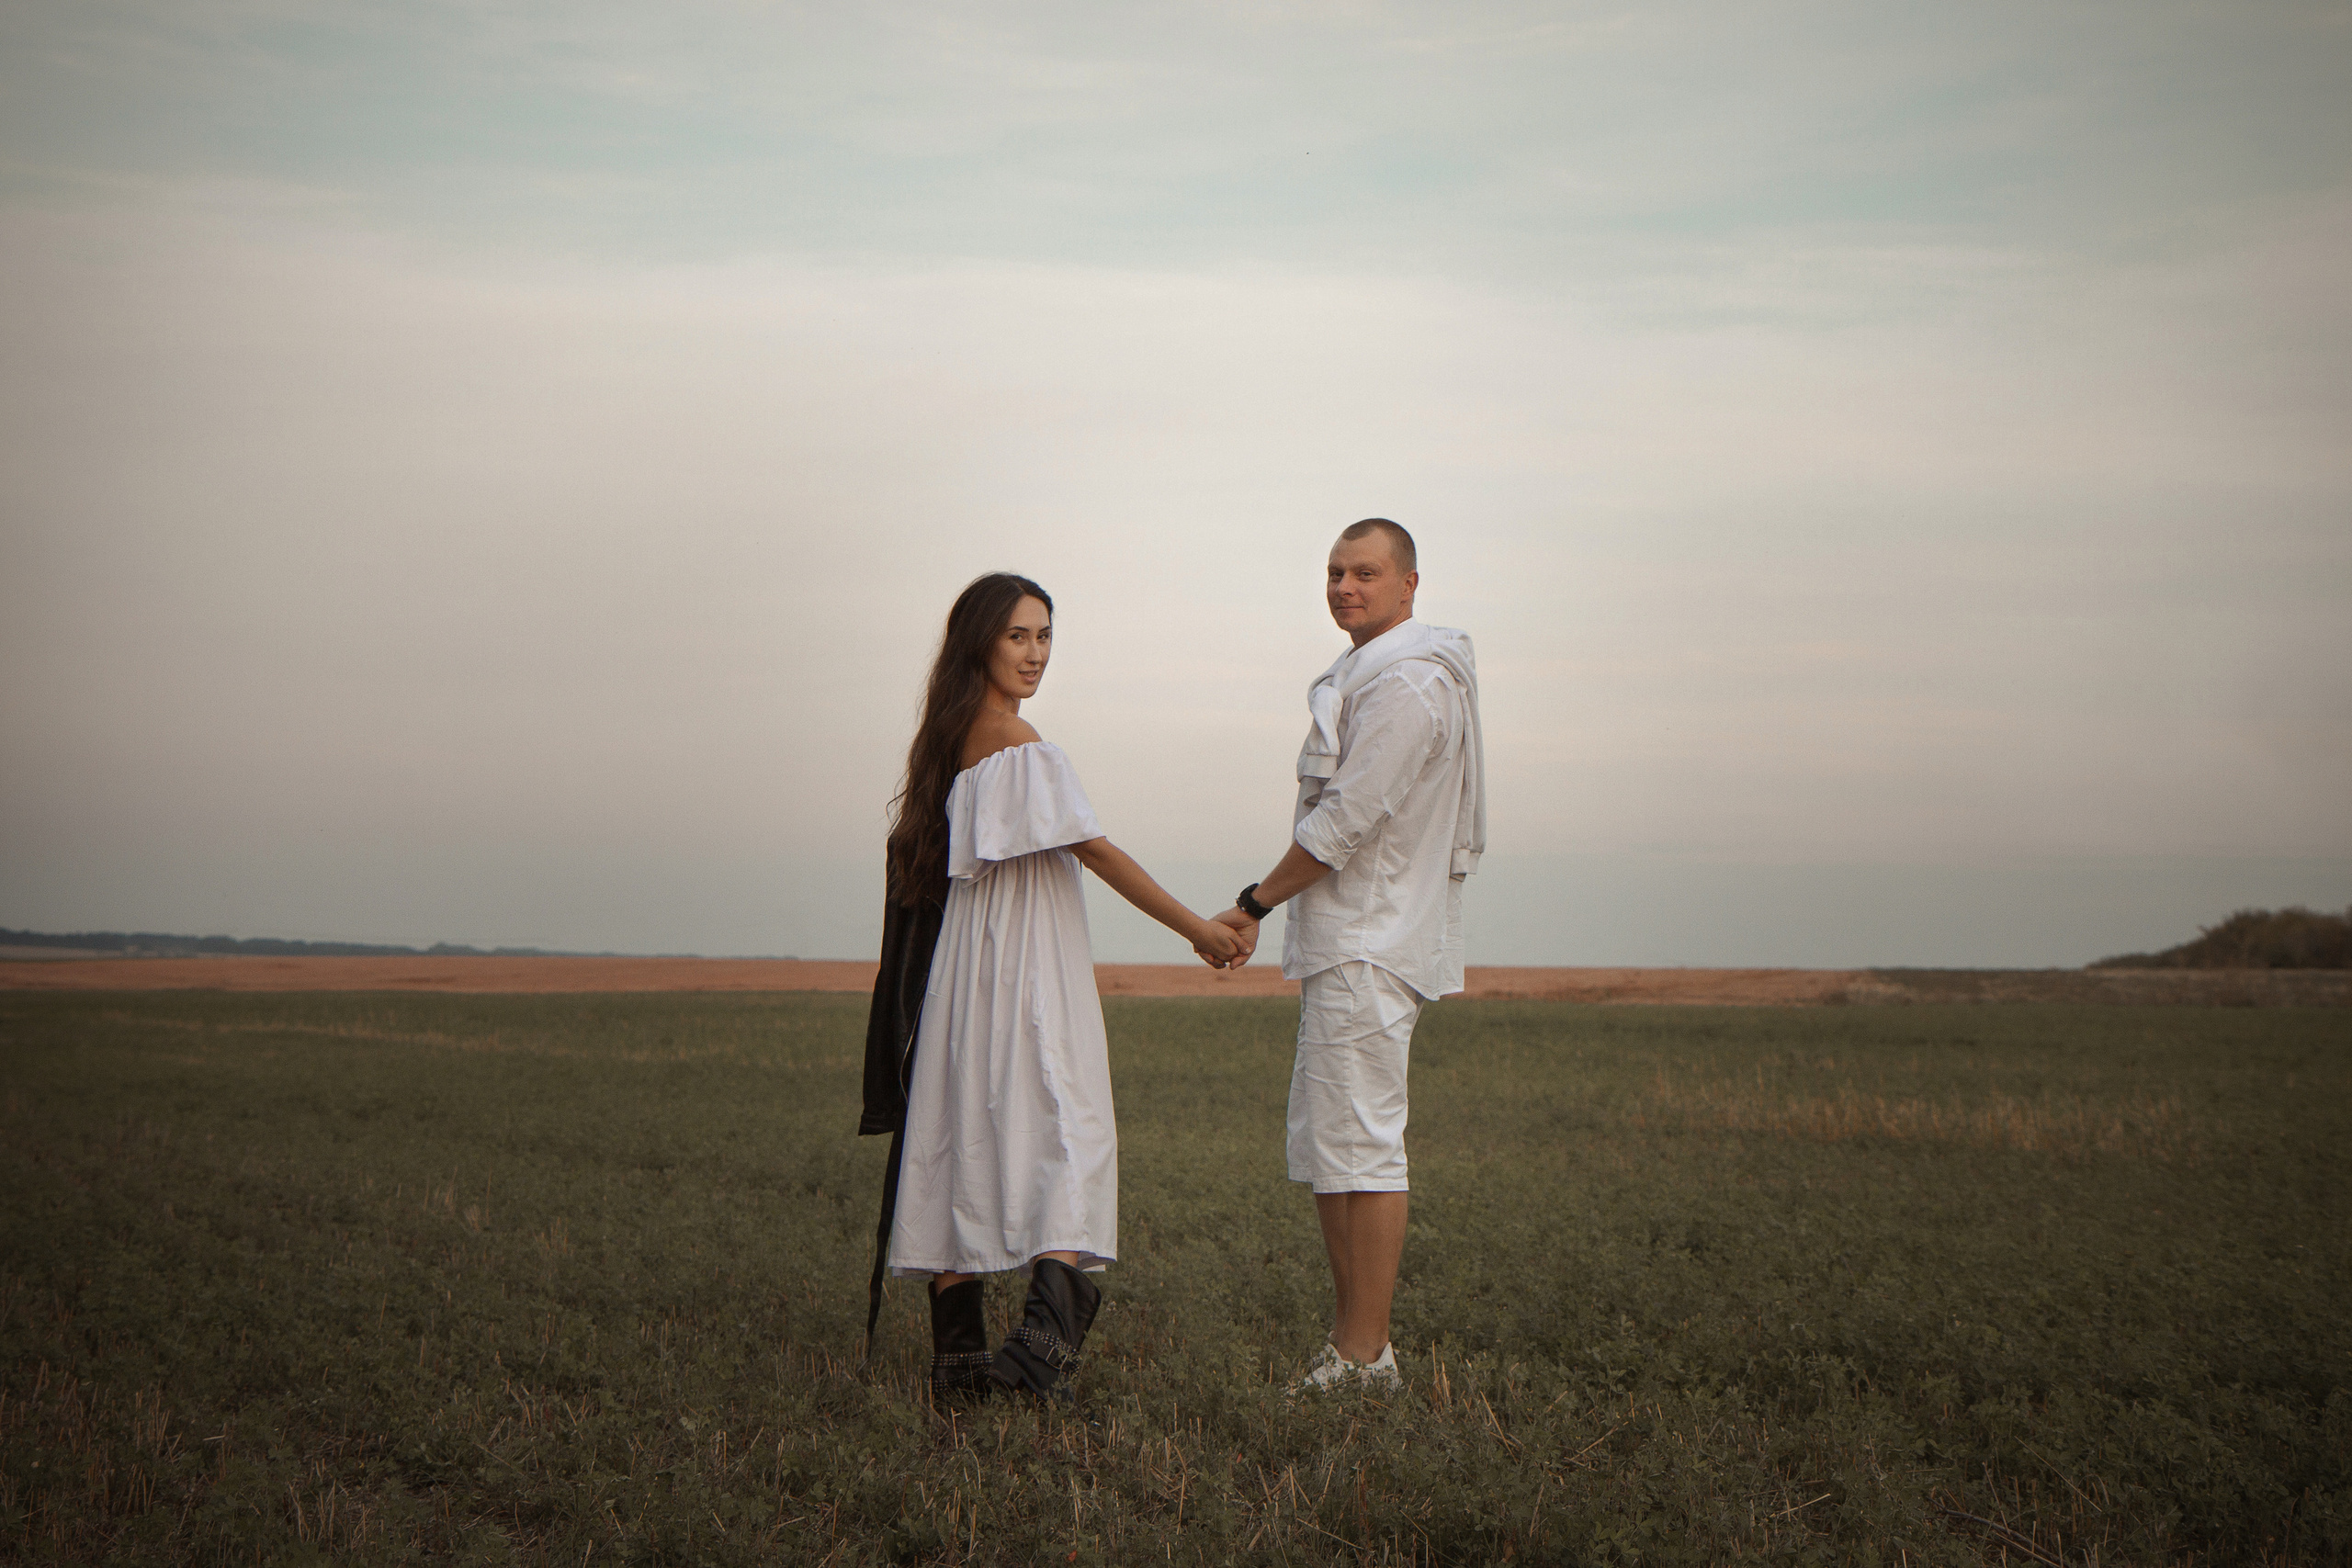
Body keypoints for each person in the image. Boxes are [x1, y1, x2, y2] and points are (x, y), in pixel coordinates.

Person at [859, 571, 1244, 1404]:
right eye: (1018, 636)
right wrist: (1197, 929)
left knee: (965, 1135)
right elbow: (1095, 851)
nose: (1035, 654)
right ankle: (1036, 1364)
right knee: (1069, 1131)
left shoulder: (949, 736)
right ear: (980, 644)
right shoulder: (1016, 741)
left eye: (1045, 637)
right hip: (1025, 965)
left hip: (967, 968)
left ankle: (959, 1369)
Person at [1214, 519, 1486, 1390]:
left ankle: (1367, 1354)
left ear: (1410, 585)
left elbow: (1345, 820)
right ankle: (1355, 1346)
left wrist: (1253, 902)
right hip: (1349, 941)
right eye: (1334, 572)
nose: (1344, 587)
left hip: (1371, 939)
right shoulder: (1365, 677)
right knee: (1334, 1143)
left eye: (1364, 573)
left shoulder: (1408, 686)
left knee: (1363, 1145)